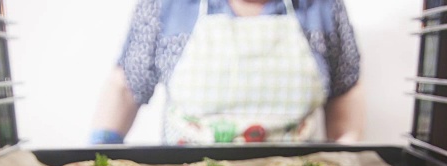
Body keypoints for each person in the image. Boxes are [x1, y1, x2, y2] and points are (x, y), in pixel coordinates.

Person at [91, 0, 364, 145]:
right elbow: (127, 86)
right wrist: (100, 148)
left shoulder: (322, 6)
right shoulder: (168, 4)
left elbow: (344, 86)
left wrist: (346, 152)